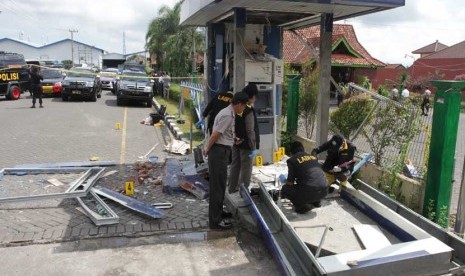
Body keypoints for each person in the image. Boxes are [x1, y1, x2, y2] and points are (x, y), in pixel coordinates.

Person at [204, 92, 249, 230]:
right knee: (217, 187)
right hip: (218, 152)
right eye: (244, 106)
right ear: (239, 104)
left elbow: (223, 133)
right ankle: (215, 222)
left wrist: (234, 140)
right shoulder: (228, 115)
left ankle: (218, 213)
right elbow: (215, 135)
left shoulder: (228, 112)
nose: (244, 109)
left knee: (221, 185)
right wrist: (206, 149)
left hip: (221, 150)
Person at [228, 84, 260, 194]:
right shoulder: (248, 109)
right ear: (252, 96)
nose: (256, 99)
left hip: (236, 141)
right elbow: (250, 130)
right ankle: (243, 192)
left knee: (235, 165)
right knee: (246, 169)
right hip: (247, 144)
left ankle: (232, 189)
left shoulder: (238, 105)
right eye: (255, 96)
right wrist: (253, 146)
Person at [279, 141, 328, 214]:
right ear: (303, 150)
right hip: (324, 191)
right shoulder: (312, 157)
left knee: (285, 189)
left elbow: (290, 183)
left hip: (309, 192)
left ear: (291, 152)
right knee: (310, 184)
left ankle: (302, 206)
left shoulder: (292, 160)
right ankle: (316, 202)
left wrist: (284, 180)